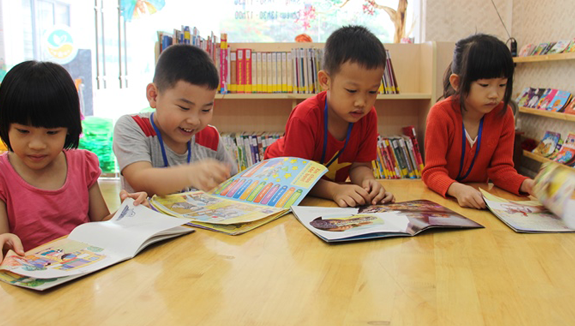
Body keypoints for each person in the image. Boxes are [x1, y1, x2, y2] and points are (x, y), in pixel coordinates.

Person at [0, 61, 147, 273]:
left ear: (69, 129)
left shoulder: (82, 164)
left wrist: (129, 211)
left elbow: (102, 223)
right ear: (5, 125)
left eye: (51, 132)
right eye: (23, 131)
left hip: (85, 272)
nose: (37, 144)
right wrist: (1, 244)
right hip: (32, 280)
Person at [264, 25, 394, 207]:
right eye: (352, 90)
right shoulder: (305, 116)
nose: (361, 102)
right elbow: (295, 177)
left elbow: (360, 166)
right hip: (278, 180)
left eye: (372, 91)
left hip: (320, 190)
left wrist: (368, 183)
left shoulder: (368, 116)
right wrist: (334, 190)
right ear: (325, 81)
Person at [422, 33, 534, 209]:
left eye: (502, 85)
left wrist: (528, 185)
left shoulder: (504, 115)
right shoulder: (440, 114)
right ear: (457, 83)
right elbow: (432, 172)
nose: (494, 94)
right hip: (443, 201)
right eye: (484, 85)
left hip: (479, 202)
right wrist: (457, 190)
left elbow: (502, 170)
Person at [113, 44, 237, 197]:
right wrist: (190, 174)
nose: (194, 120)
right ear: (154, 96)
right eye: (184, 108)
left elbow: (232, 183)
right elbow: (140, 178)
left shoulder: (210, 137)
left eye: (205, 110)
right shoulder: (132, 127)